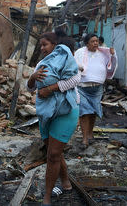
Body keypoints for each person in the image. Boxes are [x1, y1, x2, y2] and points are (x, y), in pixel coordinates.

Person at [27, 32, 80, 205]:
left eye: (45, 45)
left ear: (55, 45)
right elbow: (30, 89)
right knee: (53, 153)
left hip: (66, 111)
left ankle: (47, 197)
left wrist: (49, 89)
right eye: (40, 45)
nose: (42, 48)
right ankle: (66, 182)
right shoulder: (41, 64)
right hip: (46, 112)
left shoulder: (66, 59)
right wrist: (32, 78)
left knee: (53, 154)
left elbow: (75, 79)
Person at [74, 33, 118, 148]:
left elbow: (111, 68)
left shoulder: (103, 54)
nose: (96, 43)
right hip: (82, 87)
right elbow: (74, 65)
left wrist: (113, 56)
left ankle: (89, 134)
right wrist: (80, 68)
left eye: (97, 41)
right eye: (93, 41)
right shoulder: (80, 53)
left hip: (97, 88)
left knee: (93, 111)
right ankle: (84, 139)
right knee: (84, 112)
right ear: (87, 43)